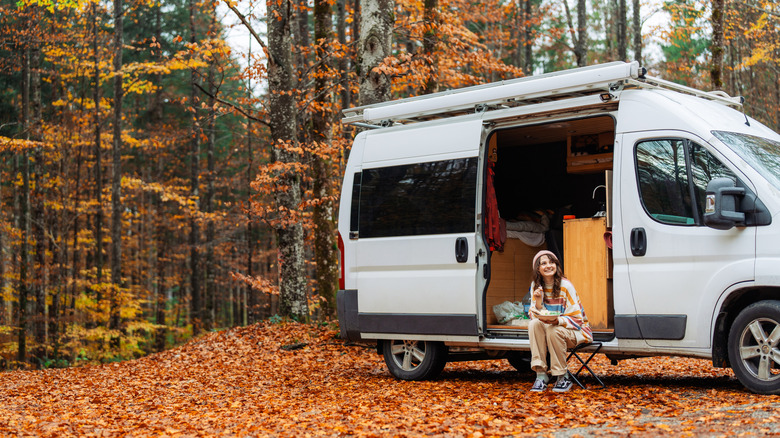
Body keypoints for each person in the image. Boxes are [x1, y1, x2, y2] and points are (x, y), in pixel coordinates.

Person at [527, 250, 592, 393]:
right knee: (534, 324)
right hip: (552, 329)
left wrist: (557, 321)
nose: (548, 266)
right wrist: (538, 302)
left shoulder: (566, 285)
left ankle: (562, 376)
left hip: (577, 331)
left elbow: (577, 319)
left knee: (553, 330)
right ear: (538, 268)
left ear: (557, 265)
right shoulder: (535, 285)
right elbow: (534, 314)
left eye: (552, 262)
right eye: (543, 263)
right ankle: (541, 374)